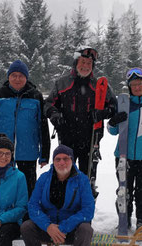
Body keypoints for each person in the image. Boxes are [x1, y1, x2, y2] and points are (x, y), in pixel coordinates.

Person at [44, 46, 117, 196]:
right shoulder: (62, 83)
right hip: (66, 137)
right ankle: (62, 208)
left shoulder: (100, 86)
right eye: (82, 62)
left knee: (87, 178)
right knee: (63, 175)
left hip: (90, 139)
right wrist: (55, 115)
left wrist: (102, 113)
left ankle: (85, 211)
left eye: (89, 64)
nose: (85, 66)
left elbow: (114, 107)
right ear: (76, 63)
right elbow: (48, 104)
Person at [21, 145, 95, 246]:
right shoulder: (44, 179)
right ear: (53, 162)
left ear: (72, 161)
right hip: (48, 228)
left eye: (66, 159)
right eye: (58, 159)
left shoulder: (82, 180)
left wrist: (64, 226)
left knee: (86, 229)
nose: (62, 163)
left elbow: (88, 210)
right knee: (26, 227)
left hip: (71, 230)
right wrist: (48, 226)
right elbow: (33, 205)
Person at [0, 60, 50, 197]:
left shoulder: (35, 96)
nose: (17, 79)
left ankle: (27, 217)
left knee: (28, 189)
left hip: (28, 152)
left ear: (26, 77)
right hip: (2, 153)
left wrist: (44, 154)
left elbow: (42, 127)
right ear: (8, 77)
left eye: (21, 76)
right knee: (4, 190)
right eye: (14, 75)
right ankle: (6, 217)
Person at [107, 68, 142, 230]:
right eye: (133, 84)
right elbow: (112, 130)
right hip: (124, 156)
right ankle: (125, 218)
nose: (137, 87)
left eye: (140, 84)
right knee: (124, 190)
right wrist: (113, 122)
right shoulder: (123, 104)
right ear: (129, 87)